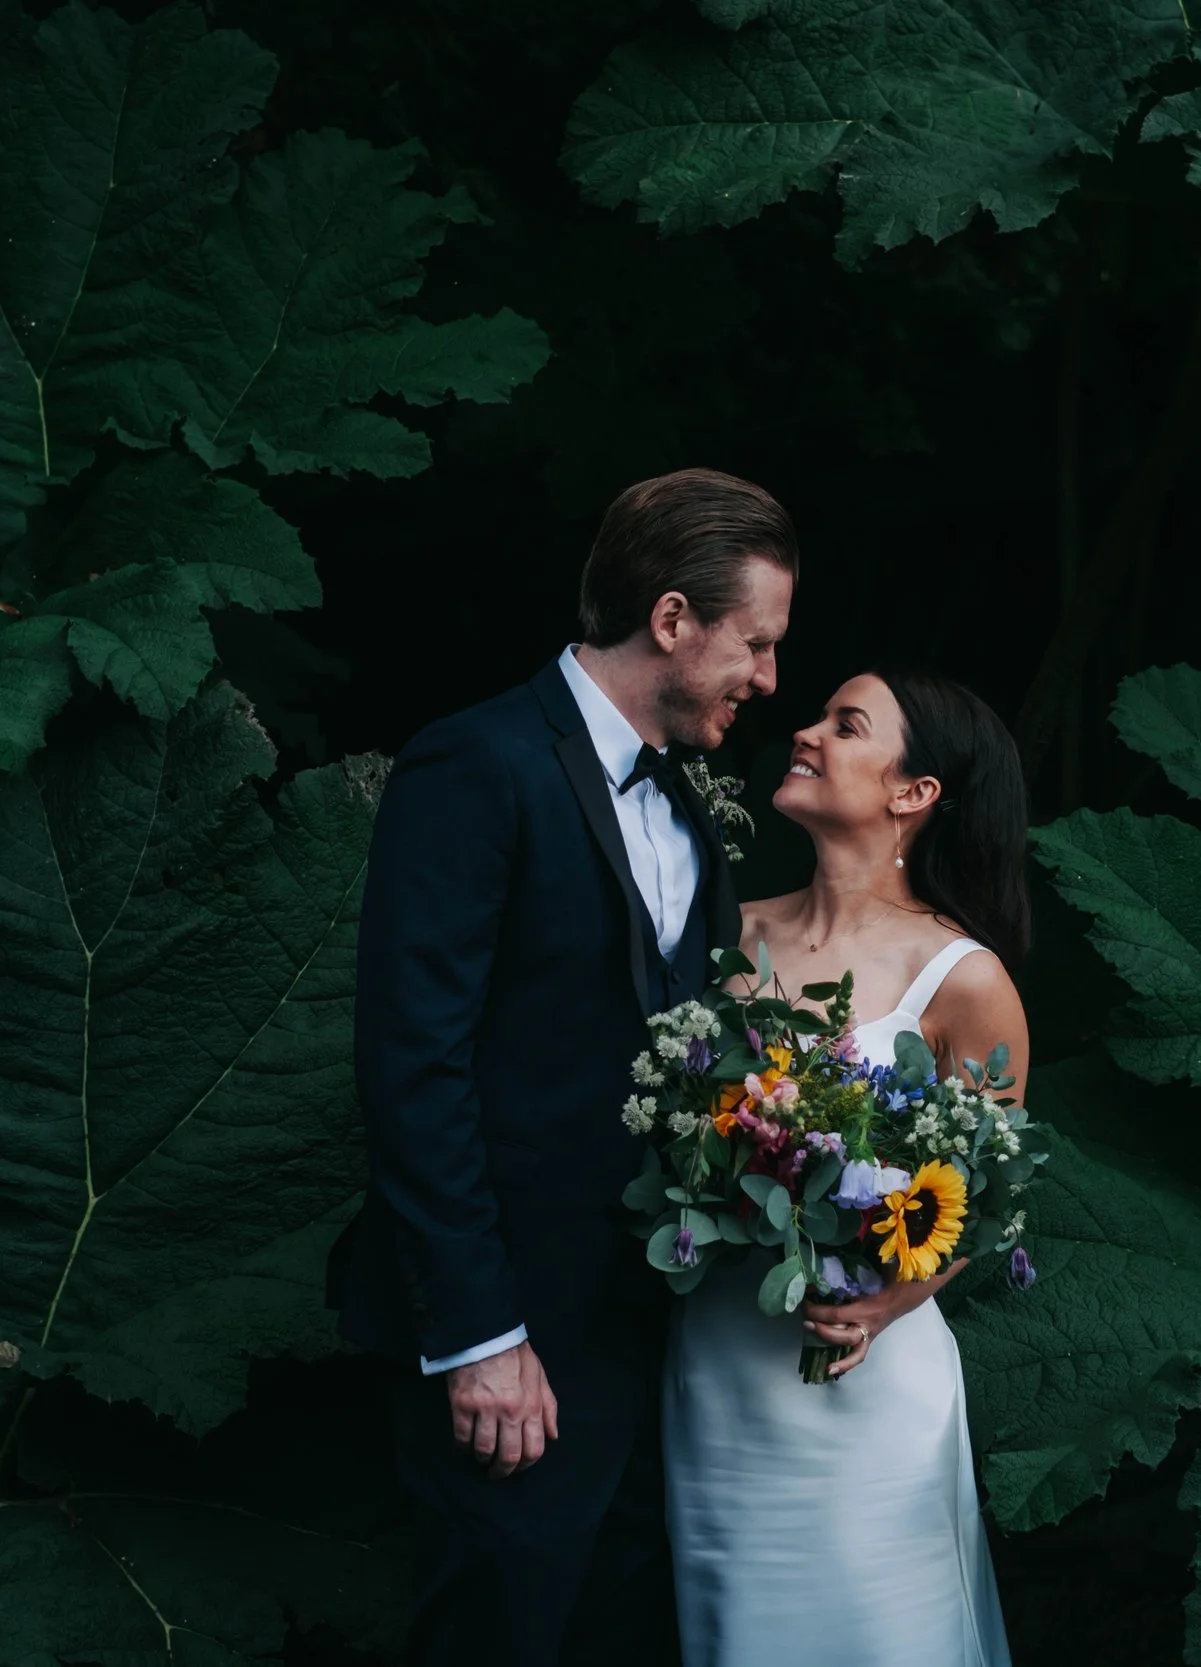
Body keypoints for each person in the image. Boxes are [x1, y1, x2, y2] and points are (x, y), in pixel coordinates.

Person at [329, 468, 796, 1664]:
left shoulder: (694, 802)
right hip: (509, 1336)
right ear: (674, 620)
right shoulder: (473, 763)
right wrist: (480, 1334)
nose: (768, 679)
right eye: (755, 642)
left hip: (645, 1330)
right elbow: (412, 1061)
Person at [663, 667, 1031, 1666]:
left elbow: (988, 1193)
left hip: (865, 1375)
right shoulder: (725, 936)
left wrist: (884, 1304)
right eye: (819, 715)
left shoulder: (963, 978)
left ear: (913, 793)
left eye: (846, 723)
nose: (808, 730)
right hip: (724, 1360)